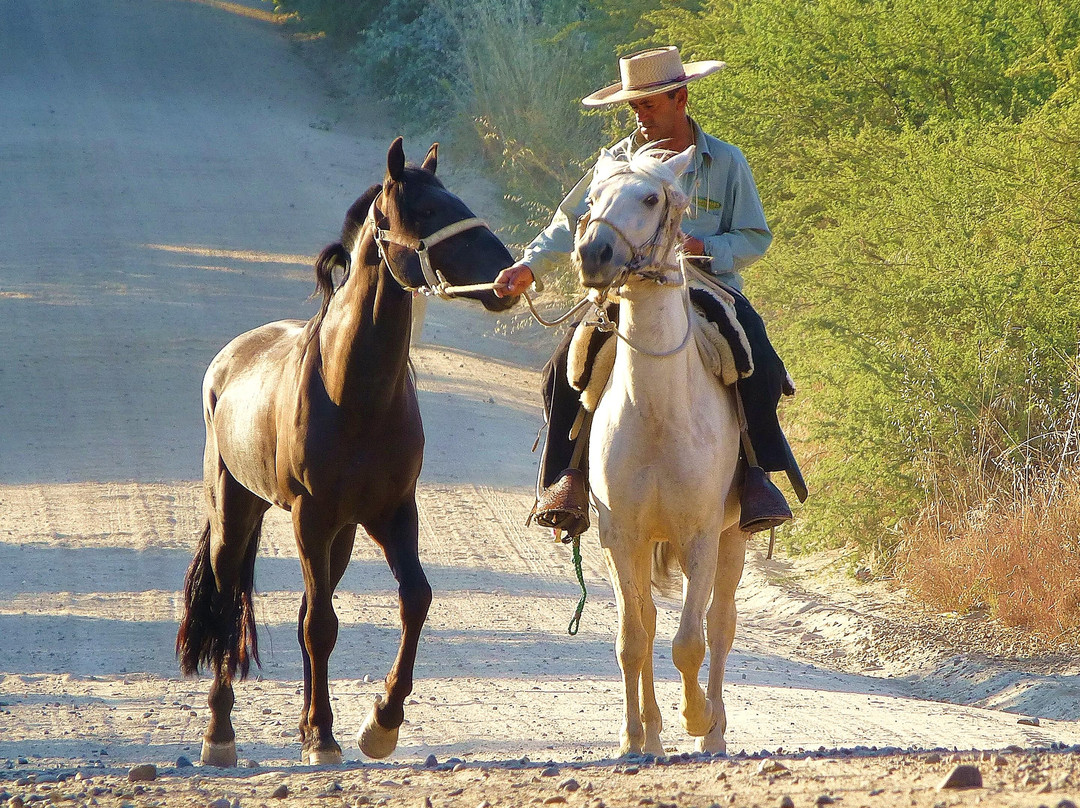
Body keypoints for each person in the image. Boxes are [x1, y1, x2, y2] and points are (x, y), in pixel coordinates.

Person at [493, 46, 805, 538]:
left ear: (680, 98)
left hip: (707, 286)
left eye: (649, 105)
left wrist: (705, 245)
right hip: (628, 291)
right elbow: (571, 220)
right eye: (634, 107)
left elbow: (754, 236)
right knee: (560, 368)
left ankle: (757, 476)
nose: (640, 116)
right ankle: (566, 481)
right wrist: (529, 266)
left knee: (758, 356)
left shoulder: (725, 161)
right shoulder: (616, 162)